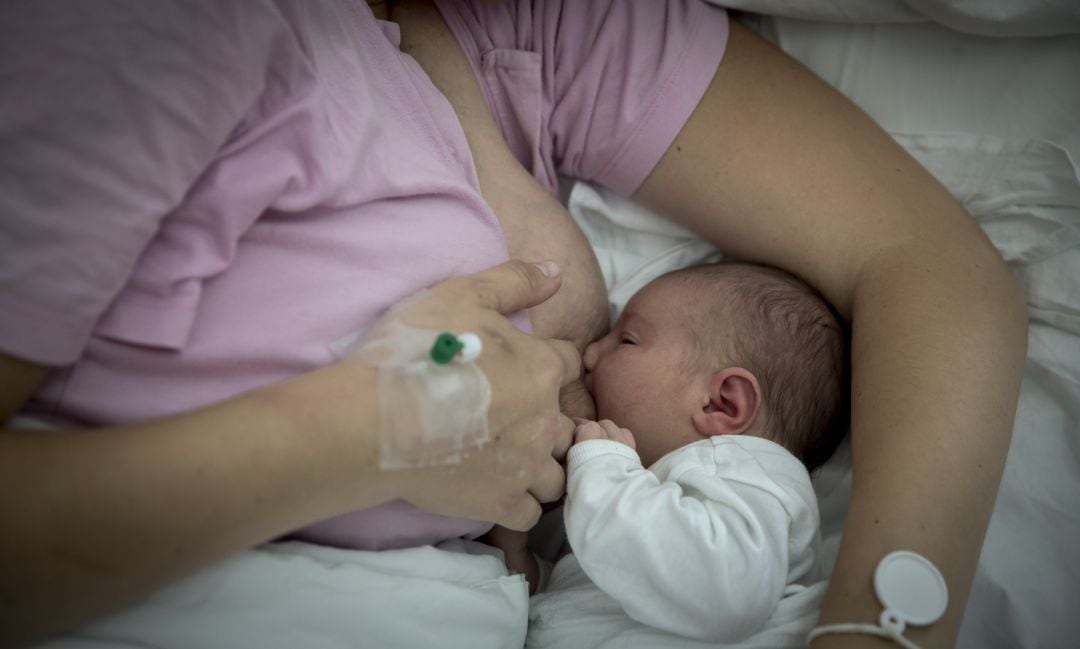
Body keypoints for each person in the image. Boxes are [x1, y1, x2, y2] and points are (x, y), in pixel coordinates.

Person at [0, 1, 1026, 648]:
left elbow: (930, 265)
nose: (596, 344)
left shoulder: (548, 32)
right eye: (621, 330)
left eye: (625, 334)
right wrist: (380, 431)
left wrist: (881, 631)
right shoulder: (142, 36)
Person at [490, 262, 847, 647]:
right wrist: (521, 563)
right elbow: (602, 593)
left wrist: (604, 469)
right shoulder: (646, 492)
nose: (590, 354)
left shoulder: (752, 477)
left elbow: (719, 593)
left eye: (627, 340)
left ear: (721, 403)